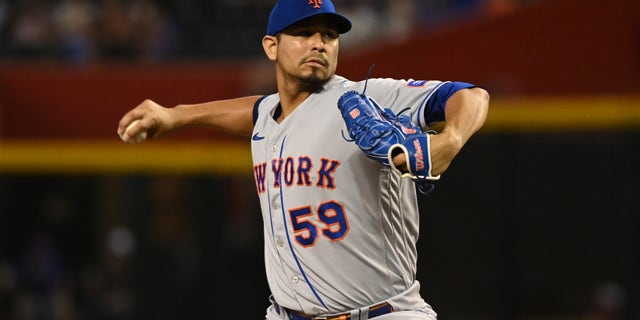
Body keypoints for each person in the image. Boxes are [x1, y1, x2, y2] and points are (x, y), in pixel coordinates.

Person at [117, 0, 489, 319]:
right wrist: (178, 114)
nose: (318, 43)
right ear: (271, 46)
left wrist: (449, 141)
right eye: (303, 33)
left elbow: (472, 96)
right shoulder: (268, 115)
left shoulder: (366, 97)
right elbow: (254, 111)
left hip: (382, 311)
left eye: (328, 35)